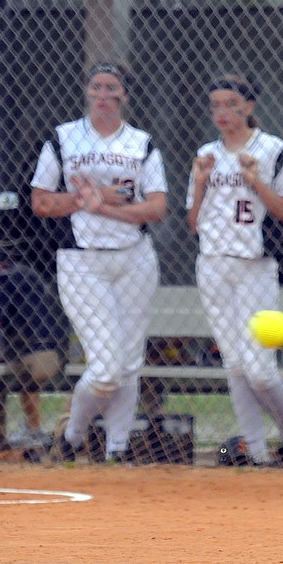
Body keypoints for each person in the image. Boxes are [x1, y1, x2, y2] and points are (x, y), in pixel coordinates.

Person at [31, 61, 168, 462]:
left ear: (125, 95)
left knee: (129, 360)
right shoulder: (63, 138)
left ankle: (117, 448)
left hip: (135, 259)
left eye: (113, 88)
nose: (104, 95)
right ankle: (73, 434)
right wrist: (82, 201)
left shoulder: (141, 143)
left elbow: (157, 207)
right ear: (87, 92)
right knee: (106, 366)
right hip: (81, 260)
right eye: (97, 87)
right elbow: (40, 201)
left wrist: (104, 205)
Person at [186, 73, 283, 466]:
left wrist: (256, 181)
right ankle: (257, 453)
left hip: (255, 266)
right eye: (216, 104)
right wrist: (201, 182)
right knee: (234, 365)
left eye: (232, 104)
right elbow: (192, 223)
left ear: (249, 107)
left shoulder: (272, 150)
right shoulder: (206, 153)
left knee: (260, 370)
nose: (223, 112)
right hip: (213, 265)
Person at [0, 189, 62, 450]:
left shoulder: (10, 273)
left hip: (33, 355)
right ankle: (33, 429)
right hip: (38, 351)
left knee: (21, 358)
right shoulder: (27, 271)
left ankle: (33, 430)